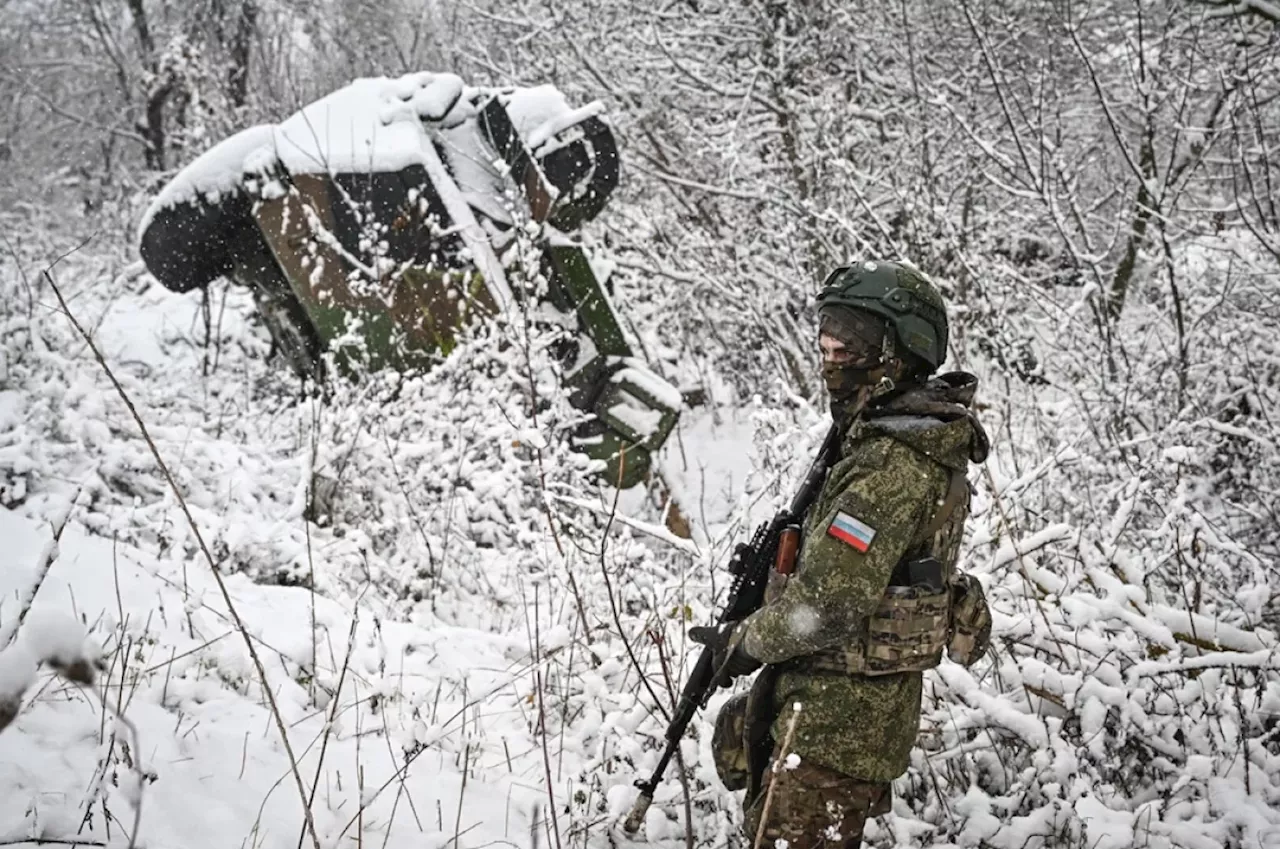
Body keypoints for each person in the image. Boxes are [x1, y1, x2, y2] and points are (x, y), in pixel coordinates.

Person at [692, 259, 993, 849]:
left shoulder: (891, 464)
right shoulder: (883, 437)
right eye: (827, 338)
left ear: (901, 350)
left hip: (834, 731)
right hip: (830, 718)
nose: (831, 355)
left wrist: (745, 643)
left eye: (850, 343)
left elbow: (828, 606)